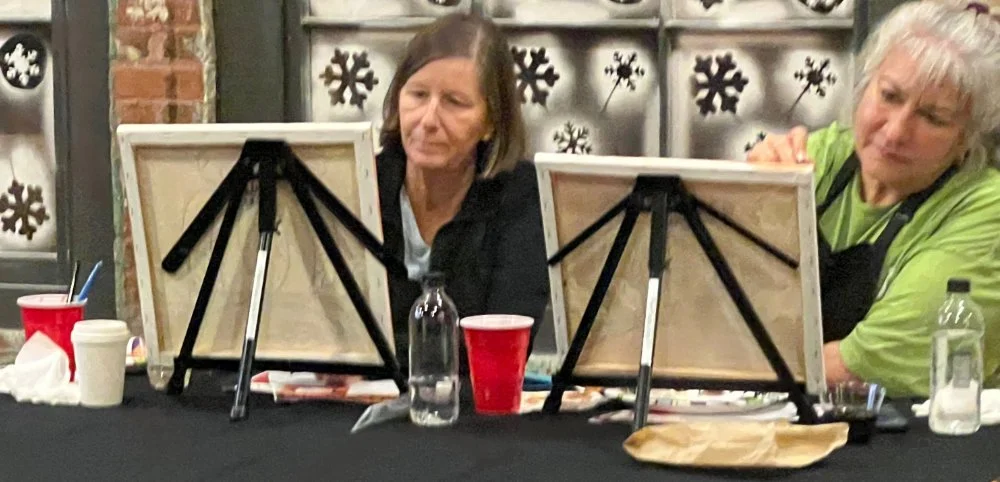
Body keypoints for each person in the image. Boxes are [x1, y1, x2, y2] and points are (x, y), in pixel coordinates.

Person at [747, 0, 1000, 397]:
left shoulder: (988, 211)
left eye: (933, 118)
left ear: (966, 142)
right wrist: (747, 192)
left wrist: (733, 366)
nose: (896, 131)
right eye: (890, 95)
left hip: (923, 446)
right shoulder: (823, 157)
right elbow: (705, 300)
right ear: (864, 86)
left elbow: (865, 362)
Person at [375, 13, 549, 370]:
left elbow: (501, 348)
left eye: (455, 102)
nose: (428, 120)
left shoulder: (522, 195)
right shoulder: (367, 184)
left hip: (475, 416)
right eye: (418, 95)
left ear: (490, 122)